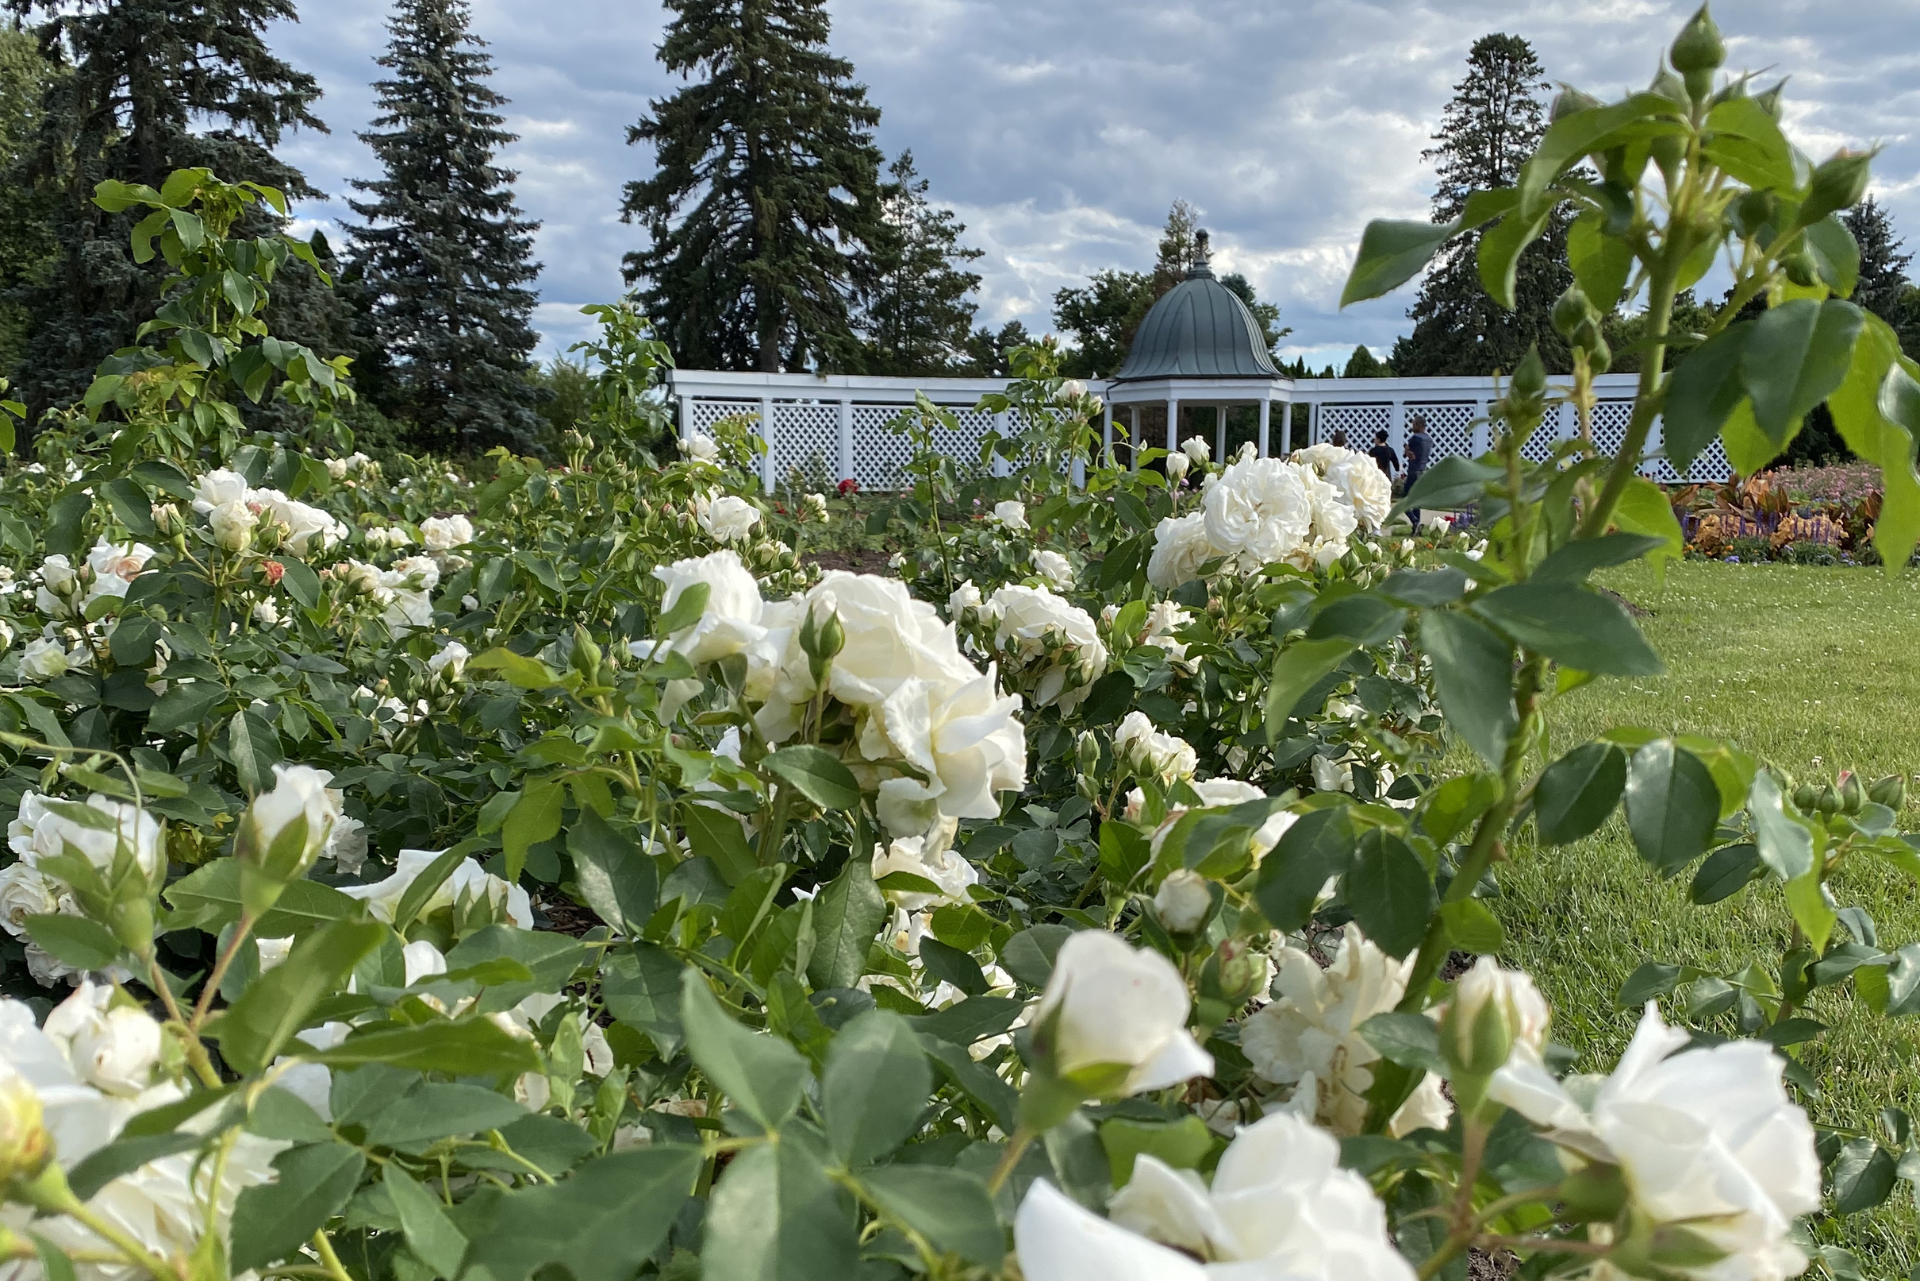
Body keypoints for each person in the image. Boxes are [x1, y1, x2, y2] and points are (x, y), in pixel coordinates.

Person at [1404, 414, 1432, 528]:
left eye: (1414, 424)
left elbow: (1411, 455)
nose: (1412, 426)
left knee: (1405, 501)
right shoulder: (1429, 439)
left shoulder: (1415, 438)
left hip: (1413, 471)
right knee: (1417, 501)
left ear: (1418, 425)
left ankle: (1415, 521)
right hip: (1422, 471)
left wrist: (1406, 450)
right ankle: (1417, 528)